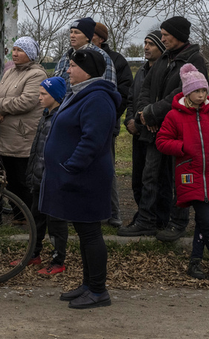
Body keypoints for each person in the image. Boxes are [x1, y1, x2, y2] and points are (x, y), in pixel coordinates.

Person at [40, 49, 120, 309]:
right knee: (85, 233)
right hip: (76, 177)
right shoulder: (82, 94)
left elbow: (92, 140)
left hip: (86, 178)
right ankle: (88, 285)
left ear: (87, 70)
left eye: (73, 66)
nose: (68, 70)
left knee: (90, 233)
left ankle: (98, 291)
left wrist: (71, 167)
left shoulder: (98, 98)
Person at [121, 16, 207, 242]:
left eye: (166, 35)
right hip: (155, 130)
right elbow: (145, 88)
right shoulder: (164, 59)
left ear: (178, 35)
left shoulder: (194, 61)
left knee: (181, 178)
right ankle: (146, 221)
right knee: (149, 176)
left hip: (180, 130)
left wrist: (151, 112)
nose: (163, 38)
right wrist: (143, 113)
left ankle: (177, 223)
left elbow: (183, 94)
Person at [157, 64, 209, 279]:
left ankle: (195, 263)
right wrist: (182, 148)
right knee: (205, 218)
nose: (201, 95)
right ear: (187, 92)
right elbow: (162, 141)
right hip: (189, 174)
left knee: (204, 219)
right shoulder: (174, 116)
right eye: (197, 91)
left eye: (203, 91)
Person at [0, 37, 47, 222]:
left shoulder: (37, 75)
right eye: (13, 49)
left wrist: (0, 106)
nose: (14, 53)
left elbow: (27, 101)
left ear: (30, 54)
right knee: (10, 178)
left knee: (23, 179)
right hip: (5, 135)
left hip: (23, 136)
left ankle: (30, 216)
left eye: (20, 50)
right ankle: (19, 214)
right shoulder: (9, 72)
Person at [22, 77, 70, 273]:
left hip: (52, 180)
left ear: (56, 97)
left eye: (44, 94)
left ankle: (59, 260)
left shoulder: (60, 119)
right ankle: (34, 254)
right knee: (36, 218)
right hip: (39, 178)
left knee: (56, 222)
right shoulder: (46, 115)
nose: (39, 97)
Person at [124, 31, 168, 232]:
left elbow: (159, 103)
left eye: (151, 44)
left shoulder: (165, 70)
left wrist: (144, 121)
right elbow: (133, 98)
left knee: (154, 178)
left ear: (162, 47)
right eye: (145, 43)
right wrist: (130, 121)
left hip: (156, 132)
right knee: (138, 178)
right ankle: (143, 214)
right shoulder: (141, 71)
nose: (146, 47)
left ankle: (156, 218)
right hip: (138, 133)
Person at [92, 23, 133, 228]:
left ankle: (113, 212)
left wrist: (110, 115)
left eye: (92, 35)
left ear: (101, 38)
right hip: (82, 122)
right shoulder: (77, 57)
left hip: (107, 122)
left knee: (106, 166)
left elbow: (124, 92)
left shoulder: (116, 60)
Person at [53, 18, 116, 90]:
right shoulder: (65, 56)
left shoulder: (101, 56)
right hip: (65, 101)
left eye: (76, 32)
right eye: (71, 32)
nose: (72, 35)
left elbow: (109, 87)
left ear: (87, 37)